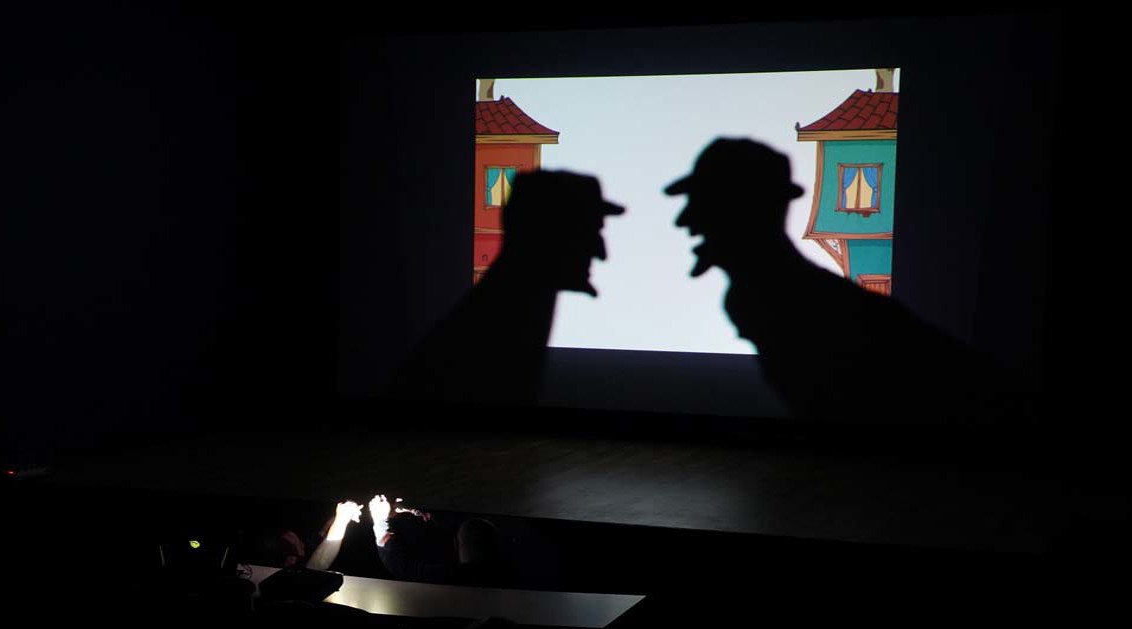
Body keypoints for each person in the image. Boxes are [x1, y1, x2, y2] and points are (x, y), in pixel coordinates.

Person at [665, 138, 1024, 429]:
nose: (685, 221)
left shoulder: (805, 310)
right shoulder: (774, 298)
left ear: (746, 212)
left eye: (704, 205)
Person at [390, 170, 624, 405]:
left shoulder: (484, 326)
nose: (601, 252)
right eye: (585, 232)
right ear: (545, 235)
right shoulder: (475, 351)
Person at [369, 495, 510, 586]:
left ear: (456, 544)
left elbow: (400, 565)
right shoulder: (504, 575)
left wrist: (379, 519)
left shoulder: (454, 577)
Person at [306, 500, 363, 571]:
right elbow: (317, 566)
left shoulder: (312, 544)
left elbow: (323, 531)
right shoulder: (301, 560)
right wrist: (341, 520)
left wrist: (340, 518)